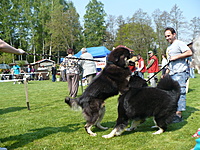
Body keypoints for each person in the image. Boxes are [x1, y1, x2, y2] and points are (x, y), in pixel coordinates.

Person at [164, 27, 193, 123]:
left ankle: (178, 115)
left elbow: (189, 52)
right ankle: (173, 113)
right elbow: (170, 62)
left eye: (169, 35)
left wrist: (177, 56)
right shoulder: (169, 48)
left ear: (174, 34)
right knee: (172, 94)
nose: (167, 38)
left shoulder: (179, 43)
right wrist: (166, 74)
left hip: (180, 72)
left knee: (180, 93)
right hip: (172, 73)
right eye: (165, 36)